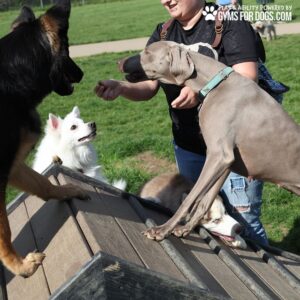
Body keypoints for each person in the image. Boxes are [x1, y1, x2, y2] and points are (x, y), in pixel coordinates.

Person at [95, 0, 270, 245]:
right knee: (200, 217)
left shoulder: (228, 20)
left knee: (245, 223)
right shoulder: (163, 33)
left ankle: (267, 279)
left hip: (236, 147)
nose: (166, 0)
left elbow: (247, 76)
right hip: (190, 147)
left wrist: (201, 92)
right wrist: (122, 87)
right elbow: (149, 85)